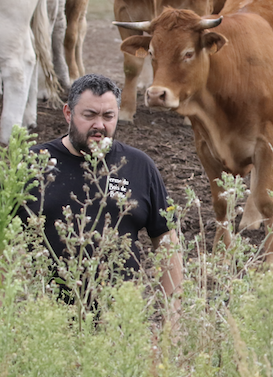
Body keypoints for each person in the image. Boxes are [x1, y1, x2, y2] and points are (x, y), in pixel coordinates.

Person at [20, 73, 183, 304]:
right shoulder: (33, 163)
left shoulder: (138, 166)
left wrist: (173, 320)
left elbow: (167, 241)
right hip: (45, 322)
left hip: (118, 322)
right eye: (89, 115)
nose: (99, 125)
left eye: (108, 116)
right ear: (68, 113)